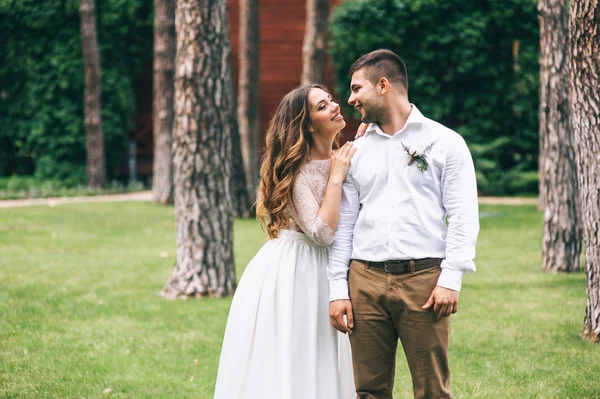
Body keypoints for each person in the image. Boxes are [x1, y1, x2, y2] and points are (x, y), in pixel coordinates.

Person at [328, 49, 480, 399]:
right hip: (364, 281)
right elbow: (345, 224)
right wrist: (339, 290)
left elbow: (462, 217)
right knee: (368, 391)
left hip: (425, 284)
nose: (350, 99)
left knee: (432, 391)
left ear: (383, 85)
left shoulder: (446, 143)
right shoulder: (356, 150)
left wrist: (450, 279)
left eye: (356, 89)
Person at [214, 85, 357, 399]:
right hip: (295, 270)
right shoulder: (297, 172)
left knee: (327, 351)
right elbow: (320, 233)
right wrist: (335, 177)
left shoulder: (345, 158)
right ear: (307, 123)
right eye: (323, 106)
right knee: (294, 351)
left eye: (331, 99)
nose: (334, 106)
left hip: (332, 267)